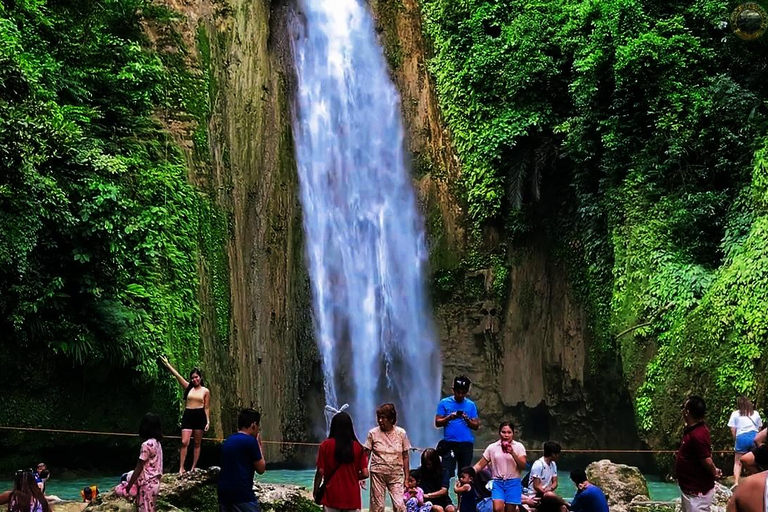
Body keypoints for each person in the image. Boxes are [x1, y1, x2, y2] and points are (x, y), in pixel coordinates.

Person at [160, 355, 210, 474]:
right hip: (188, 414)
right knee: (184, 442)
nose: (194, 379)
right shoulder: (188, 387)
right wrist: (167, 364)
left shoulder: (205, 391)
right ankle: (181, 468)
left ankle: (193, 468)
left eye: (196, 377)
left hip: (199, 415)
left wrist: (208, 421)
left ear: (200, 377)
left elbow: (207, 407)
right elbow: (178, 376)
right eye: (192, 378)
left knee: (197, 443)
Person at [314, 411, 369, 512]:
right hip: (352, 497)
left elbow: (320, 471)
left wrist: (316, 490)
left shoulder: (325, 445)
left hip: (331, 495)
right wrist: (352, 476)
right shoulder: (358, 447)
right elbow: (365, 474)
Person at [676, 395, 722, 512]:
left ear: (687, 412)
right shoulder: (693, 430)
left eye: (683, 408)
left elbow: (706, 459)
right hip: (689, 488)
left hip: (697, 491)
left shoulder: (698, 435)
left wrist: (714, 471)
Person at [365, 403, 411, 512]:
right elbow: (366, 455)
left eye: (383, 418)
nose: (380, 420)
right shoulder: (372, 433)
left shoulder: (401, 433)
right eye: (378, 418)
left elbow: (405, 456)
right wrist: (363, 474)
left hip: (396, 474)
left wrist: (407, 478)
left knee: (400, 505)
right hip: (377, 474)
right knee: (378, 507)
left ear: (391, 419)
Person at [218, 409, 266, 512]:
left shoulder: (228, 440)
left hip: (223, 494)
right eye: (258, 426)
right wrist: (258, 444)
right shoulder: (250, 441)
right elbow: (261, 469)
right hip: (242, 495)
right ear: (254, 425)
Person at [473, 422, 527, 512]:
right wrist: (469, 472)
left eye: (509, 432)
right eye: (503, 432)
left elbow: (523, 466)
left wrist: (512, 453)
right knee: (497, 508)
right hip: (498, 482)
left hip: (513, 482)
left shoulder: (519, 447)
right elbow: (480, 465)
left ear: (513, 433)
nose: (506, 435)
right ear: (499, 433)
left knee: (510, 510)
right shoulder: (492, 447)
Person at [435, 376, 480, 480]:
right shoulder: (444, 403)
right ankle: (445, 490)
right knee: (446, 472)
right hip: (449, 443)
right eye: (458, 392)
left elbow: (476, 425)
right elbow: (437, 422)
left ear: (467, 392)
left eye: (463, 393)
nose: (460, 395)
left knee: (464, 475)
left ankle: (462, 491)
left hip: (466, 444)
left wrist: (467, 419)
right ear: (453, 390)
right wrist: (449, 417)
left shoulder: (471, 405)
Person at [125, 413, 164, 512]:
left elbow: (139, 467)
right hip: (155, 483)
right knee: (151, 509)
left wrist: (129, 486)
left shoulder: (146, 445)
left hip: (146, 484)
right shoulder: (157, 443)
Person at [729, 396, 763, 486]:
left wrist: (735, 439)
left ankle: (736, 482)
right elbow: (760, 427)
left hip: (741, 437)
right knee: (754, 460)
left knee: (738, 462)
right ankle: (755, 482)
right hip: (754, 436)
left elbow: (733, 429)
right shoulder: (755, 413)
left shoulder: (735, 414)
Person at [528, 441, 568, 512]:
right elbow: (536, 486)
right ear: (553, 454)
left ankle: (565, 504)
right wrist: (545, 491)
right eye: (558, 454)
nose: (558, 456)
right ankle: (567, 503)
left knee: (563, 508)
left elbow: (555, 482)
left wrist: (550, 488)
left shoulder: (553, 464)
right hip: (536, 495)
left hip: (547, 494)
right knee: (548, 495)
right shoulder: (538, 464)